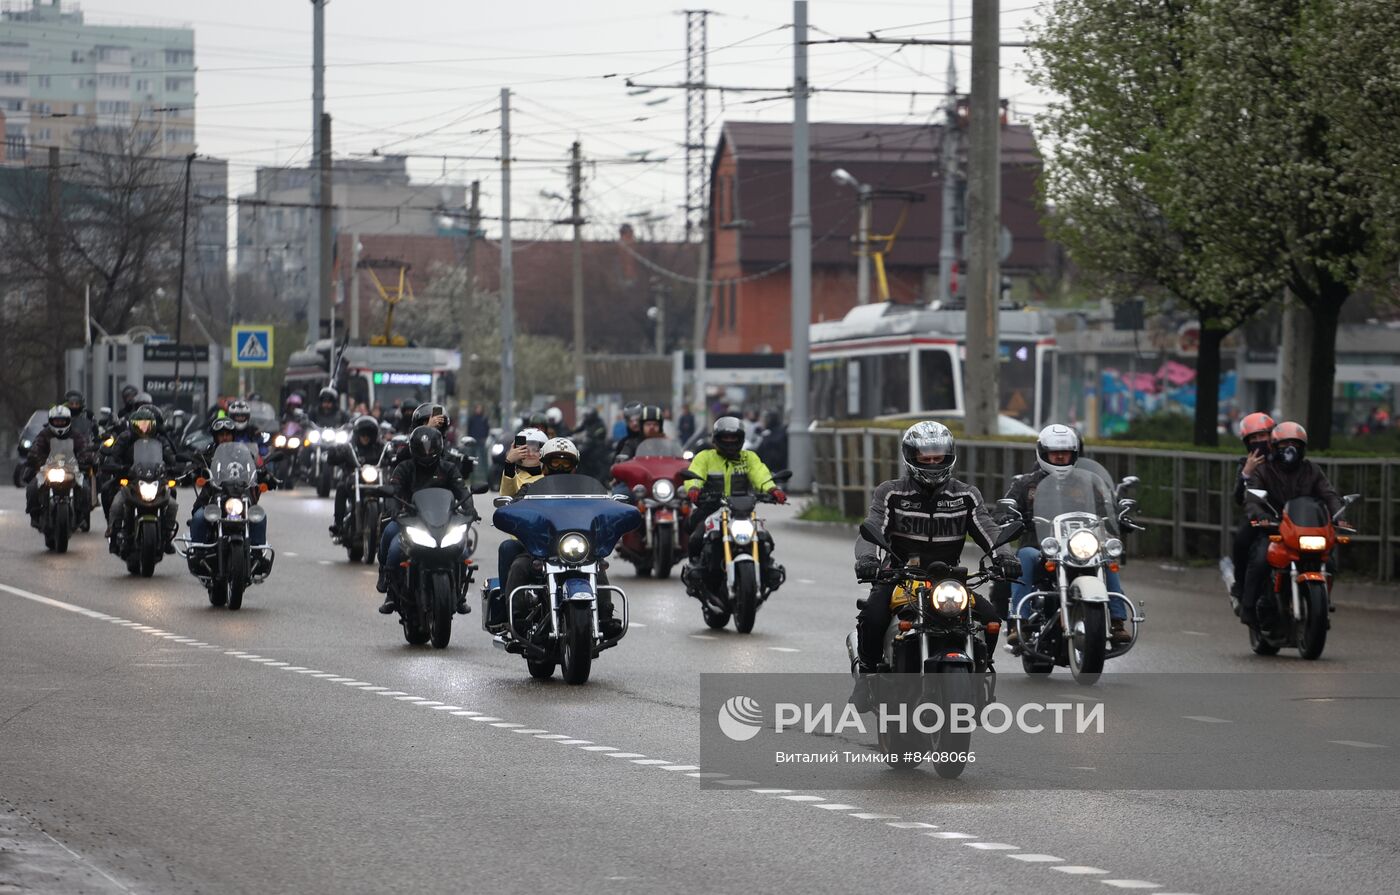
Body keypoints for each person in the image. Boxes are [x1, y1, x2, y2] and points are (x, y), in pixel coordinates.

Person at [850, 421, 1021, 711]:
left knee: (991, 617)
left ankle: (977, 680)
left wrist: (1005, 557)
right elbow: (871, 528)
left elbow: (989, 529)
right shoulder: (890, 493)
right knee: (873, 615)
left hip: (948, 580)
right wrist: (867, 560)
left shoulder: (966, 495)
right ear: (910, 458)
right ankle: (867, 678)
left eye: (937, 457)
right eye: (925, 458)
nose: (932, 463)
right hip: (899, 577)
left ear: (949, 457)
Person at [1004, 424, 1131, 646]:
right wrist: (1007, 516)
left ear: (1075, 454)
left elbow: (1105, 507)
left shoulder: (1087, 482)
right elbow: (1006, 506)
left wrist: (1118, 517)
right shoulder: (1025, 483)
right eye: (1055, 453)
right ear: (1044, 453)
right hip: (1041, 546)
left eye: (1066, 453)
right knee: (1023, 557)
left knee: (1106, 558)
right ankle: (1019, 620)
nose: (1061, 457)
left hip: (1081, 545)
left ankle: (1117, 621)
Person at [499, 437, 624, 638]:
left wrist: (614, 511)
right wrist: (514, 510)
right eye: (555, 461)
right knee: (519, 566)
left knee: (598, 566)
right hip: (541, 550)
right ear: (545, 464)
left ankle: (605, 618)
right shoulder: (532, 489)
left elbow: (602, 507)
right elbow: (516, 505)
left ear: (574, 466)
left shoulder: (587, 490)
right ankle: (516, 620)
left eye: (566, 462)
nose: (560, 466)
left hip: (576, 547)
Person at [1240, 421, 1344, 626]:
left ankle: (1322, 605)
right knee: (1261, 559)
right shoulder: (1263, 470)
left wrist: (1339, 513)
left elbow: (1329, 494)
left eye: (1295, 444)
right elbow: (1252, 498)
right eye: (1284, 444)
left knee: (1329, 562)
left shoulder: (1312, 470)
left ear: (1303, 448)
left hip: (1305, 528)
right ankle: (1249, 606)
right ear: (1274, 447)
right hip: (1274, 528)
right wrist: (1260, 516)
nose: (1290, 449)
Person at [681, 416, 787, 596]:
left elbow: (761, 474)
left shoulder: (749, 458)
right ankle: (695, 572)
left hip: (742, 510)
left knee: (765, 537)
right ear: (716, 439)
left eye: (734, 438)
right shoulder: (705, 457)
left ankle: (768, 570)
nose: (730, 442)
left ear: (741, 439)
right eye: (725, 438)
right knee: (696, 537)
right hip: (712, 508)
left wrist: (772, 489)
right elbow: (694, 474)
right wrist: (693, 489)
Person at [379, 426, 474, 615]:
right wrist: (395, 510)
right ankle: (390, 589)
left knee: (463, 552)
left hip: (443, 522)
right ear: (413, 448)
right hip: (410, 520)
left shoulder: (448, 468)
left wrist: (470, 508)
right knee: (392, 543)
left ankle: (459, 595)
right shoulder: (404, 468)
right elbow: (394, 491)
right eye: (422, 448)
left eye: (431, 448)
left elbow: (462, 490)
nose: (427, 452)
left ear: (439, 447)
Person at [186, 417, 270, 554]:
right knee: (199, 517)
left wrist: (265, 475)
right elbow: (196, 463)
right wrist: (192, 469)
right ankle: (198, 553)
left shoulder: (242, 453)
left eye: (228, 434)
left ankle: (257, 555)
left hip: (241, 496)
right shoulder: (208, 453)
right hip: (214, 497)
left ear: (233, 435)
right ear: (216, 437)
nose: (225, 438)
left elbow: (253, 467)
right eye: (221, 435)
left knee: (259, 517)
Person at [104, 405, 179, 553]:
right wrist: (118, 467)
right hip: (131, 481)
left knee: (172, 504)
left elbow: (171, 457)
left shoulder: (159, 439)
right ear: (133, 425)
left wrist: (174, 467)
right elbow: (114, 457)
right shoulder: (125, 438)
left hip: (155, 480)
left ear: (153, 426)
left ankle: (166, 535)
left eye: (147, 425)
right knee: (116, 502)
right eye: (140, 425)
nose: (144, 428)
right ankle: (114, 532)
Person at [1228, 412, 1276, 613]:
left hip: (1290, 518)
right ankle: (1240, 588)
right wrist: (1246, 473)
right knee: (1241, 541)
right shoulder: (1245, 464)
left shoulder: (1285, 459)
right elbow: (1239, 498)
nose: (1259, 442)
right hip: (1258, 517)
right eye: (1253, 439)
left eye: (1262, 436)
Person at [24, 405, 92, 526]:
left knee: (85, 488)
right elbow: (35, 449)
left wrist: (84, 459)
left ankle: (82, 515)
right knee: (32, 487)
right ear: (51, 421)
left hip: (71, 469)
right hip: (47, 468)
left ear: (68, 421)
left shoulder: (75, 435)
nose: (59, 423)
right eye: (56, 421)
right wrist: (38, 461)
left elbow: (84, 448)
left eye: (62, 421)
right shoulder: (44, 434)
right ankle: (35, 514)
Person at [329, 415, 385, 542]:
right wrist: (334, 453)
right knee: (341, 487)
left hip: (375, 481)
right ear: (357, 434)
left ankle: (388, 524)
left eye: (369, 433)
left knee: (390, 490)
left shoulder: (381, 448)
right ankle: (338, 524)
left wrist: (396, 453)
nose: (365, 436)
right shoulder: (349, 448)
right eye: (362, 433)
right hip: (354, 480)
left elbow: (391, 454)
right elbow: (334, 458)